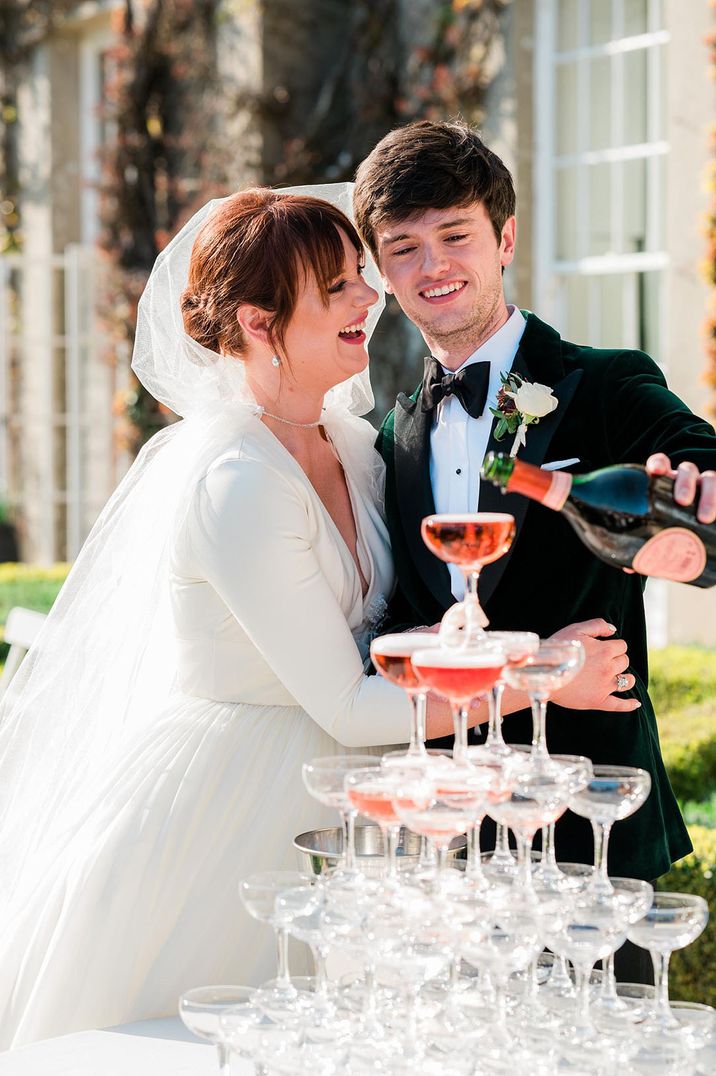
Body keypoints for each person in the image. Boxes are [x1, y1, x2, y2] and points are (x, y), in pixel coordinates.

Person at [0, 185, 484, 1050]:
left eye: (360, 278)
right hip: (237, 814)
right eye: (336, 287)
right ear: (259, 325)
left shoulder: (355, 445)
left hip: (360, 802)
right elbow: (346, 705)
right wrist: (532, 675)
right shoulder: (238, 479)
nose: (369, 299)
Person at [353, 120, 716, 900]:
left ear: (505, 237)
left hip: (594, 825)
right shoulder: (387, 438)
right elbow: (392, 616)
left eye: (456, 235)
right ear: (381, 270)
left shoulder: (607, 384)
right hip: (446, 835)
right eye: (404, 248)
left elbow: (694, 458)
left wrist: (695, 484)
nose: (434, 266)